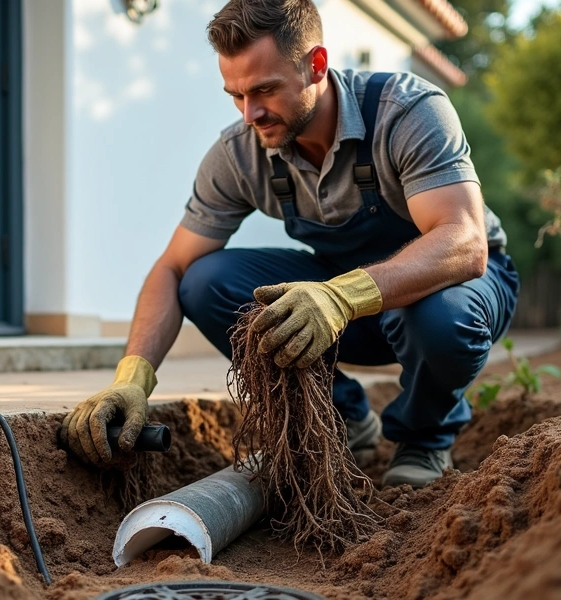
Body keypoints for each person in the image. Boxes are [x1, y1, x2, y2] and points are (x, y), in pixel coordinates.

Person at [60, 0, 518, 489]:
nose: (251, 113)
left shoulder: (406, 111)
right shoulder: (239, 154)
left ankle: (425, 438)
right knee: (204, 281)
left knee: (442, 318)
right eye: (235, 94)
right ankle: (342, 416)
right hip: (342, 306)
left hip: (448, 292)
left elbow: (464, 243)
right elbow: (171, 269)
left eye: (265, 90)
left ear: (315, 65)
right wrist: (132, 377)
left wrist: (341, 297)